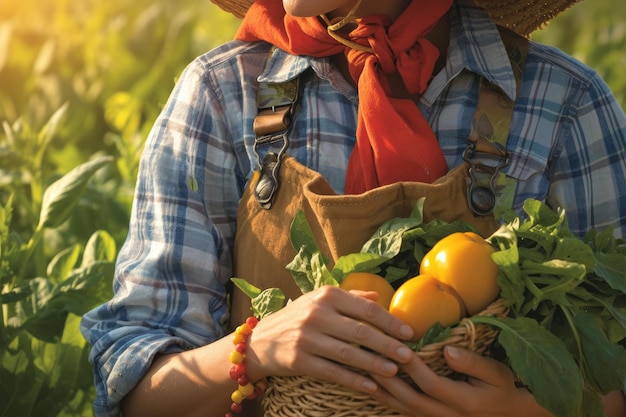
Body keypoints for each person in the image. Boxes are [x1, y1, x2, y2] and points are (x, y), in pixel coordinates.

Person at [80, 0, 626, 416]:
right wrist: (256, 347)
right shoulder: (223, 96)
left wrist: (524, 410)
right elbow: (134, 386)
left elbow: (614, 375)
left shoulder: (563, 103)